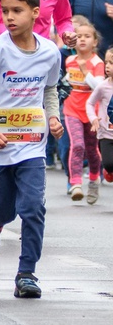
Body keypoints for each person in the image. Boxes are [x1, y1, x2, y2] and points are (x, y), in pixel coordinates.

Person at [0, 0, 64, 301]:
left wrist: (53, 115)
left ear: (35, 12)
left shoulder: (50, 52)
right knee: (5, 211)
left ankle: (26, 273)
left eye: (17, 11)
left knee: (33, 207)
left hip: (32, 147)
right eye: (5, 11)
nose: (9, 17)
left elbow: (50, 88)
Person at [61, 16, 104, 203]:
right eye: (78, 36)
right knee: (77, 145)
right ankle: (76, 182)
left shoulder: (97, 63)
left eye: (87, 36)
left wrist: (85, 71)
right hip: (72, 108)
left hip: (92, 111)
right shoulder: (69, 60)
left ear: (94, 42)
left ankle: (94, 178)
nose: (82, 39)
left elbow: (99, 87)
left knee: (92, 150)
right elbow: (64, 83)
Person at [84, 49, 113, 184]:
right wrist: (93, 118)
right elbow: (90, 103)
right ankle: (107, 170)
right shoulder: (103, 87)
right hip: (106, 133)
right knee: (108, 164)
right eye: (106, 62)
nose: (107, 66)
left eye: (111, 63)